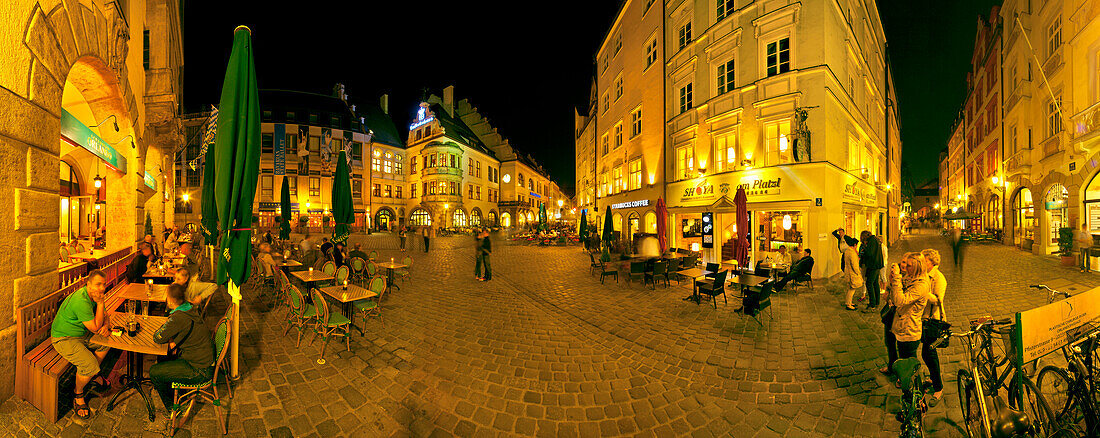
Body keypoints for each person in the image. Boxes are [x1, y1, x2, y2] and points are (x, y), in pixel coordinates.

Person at [150, 283, 214, 424]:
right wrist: (172, 336)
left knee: (154, 372)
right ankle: (175, 392)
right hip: (203, 360)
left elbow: (158, 337)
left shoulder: (178, 317)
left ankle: (176, 407)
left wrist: (170, 334)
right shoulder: (189, 308)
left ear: (171, 301)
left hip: (199, 370)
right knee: (163, 357)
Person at [51, 270, 112, 419]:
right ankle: (78, 394)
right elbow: (94, 327)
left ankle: (91, 374)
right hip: (64, 338)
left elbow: (105, 316)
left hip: (80, 333)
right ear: (88, 284)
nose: (102, 288)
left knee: (106, 344)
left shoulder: (94, 296)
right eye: (98, 284)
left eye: (103, 284)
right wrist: (101, 304)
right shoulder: (82, 300)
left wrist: (106, 325)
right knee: (89, 364)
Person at [887, 252, 937, 389]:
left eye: (909, 265)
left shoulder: (921, 284)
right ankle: (907, 381)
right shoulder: (911, 277)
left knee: (910, 364)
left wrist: (897, 278)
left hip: (910, 331)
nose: (905, 267)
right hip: (903, 327)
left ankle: (915, 389)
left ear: (916, 266)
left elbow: (899, 300)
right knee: (904, 361)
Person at [920, 249, 947, 403]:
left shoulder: (939, 278)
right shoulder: (924, 275)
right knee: (926, 353)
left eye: (925, 260)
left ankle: (938, 388)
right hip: (923, 319)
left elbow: (938, 300)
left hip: (932, 321)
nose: (922, 263)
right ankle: (933, 378)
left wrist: (923, 291)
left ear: (932, 262)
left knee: (929, 353)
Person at [859, 231, 885, 310]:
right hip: (876, 265)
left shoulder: (872, 241)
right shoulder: (875, 239)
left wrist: (864, 248)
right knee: (875, 283)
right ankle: (877, 302)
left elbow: (870, 253)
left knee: (869, 284)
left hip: (873, 265)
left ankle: (872, 304)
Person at [840, 234, 863, 310]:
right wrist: (858, 273)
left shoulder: (847, 251)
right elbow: (854, 265)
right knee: (852, 289)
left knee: (850, 289)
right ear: (854, 245)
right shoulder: (852, 253)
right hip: (852, 274)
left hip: (848, 272)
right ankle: (849, 305)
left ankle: (849, 302)